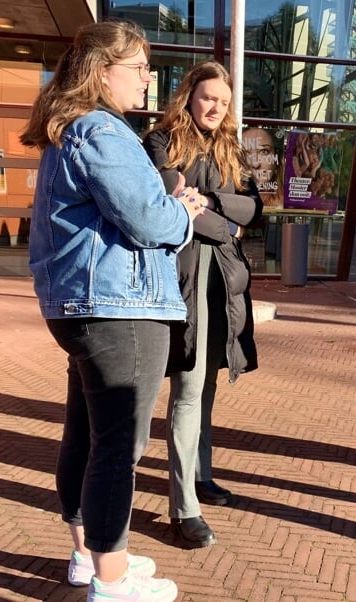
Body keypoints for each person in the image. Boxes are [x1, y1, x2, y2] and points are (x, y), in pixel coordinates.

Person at [20, 20, 206, 602]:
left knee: (86, 434)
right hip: (119, 307)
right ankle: (112, 579)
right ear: (103, 72)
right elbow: (150, 220)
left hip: (85, 304)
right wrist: (183, 212)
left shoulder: (69, 130)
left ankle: (88, 555)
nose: (150, 79)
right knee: (117, 446)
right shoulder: (103, 129)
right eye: (140, 68)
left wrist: (162, 203)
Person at [142, 60, 262, 550]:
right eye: (209, 97)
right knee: (188, 389)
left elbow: (254, 207)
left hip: (224, 284)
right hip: (183, 278)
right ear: (189, 94)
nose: (216, 107)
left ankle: (201, 476)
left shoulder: (230, 147)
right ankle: (183, 507)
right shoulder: (160, 141)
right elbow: (175, 201)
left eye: (225, 102)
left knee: (207, 386)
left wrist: (210, 204)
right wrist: (225, 220)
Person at [242, 127, 282, 208]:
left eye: (264, 152)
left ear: (276, 158)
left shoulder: (284, 203)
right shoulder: (230, 198)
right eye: (246, 153)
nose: (255, 164)